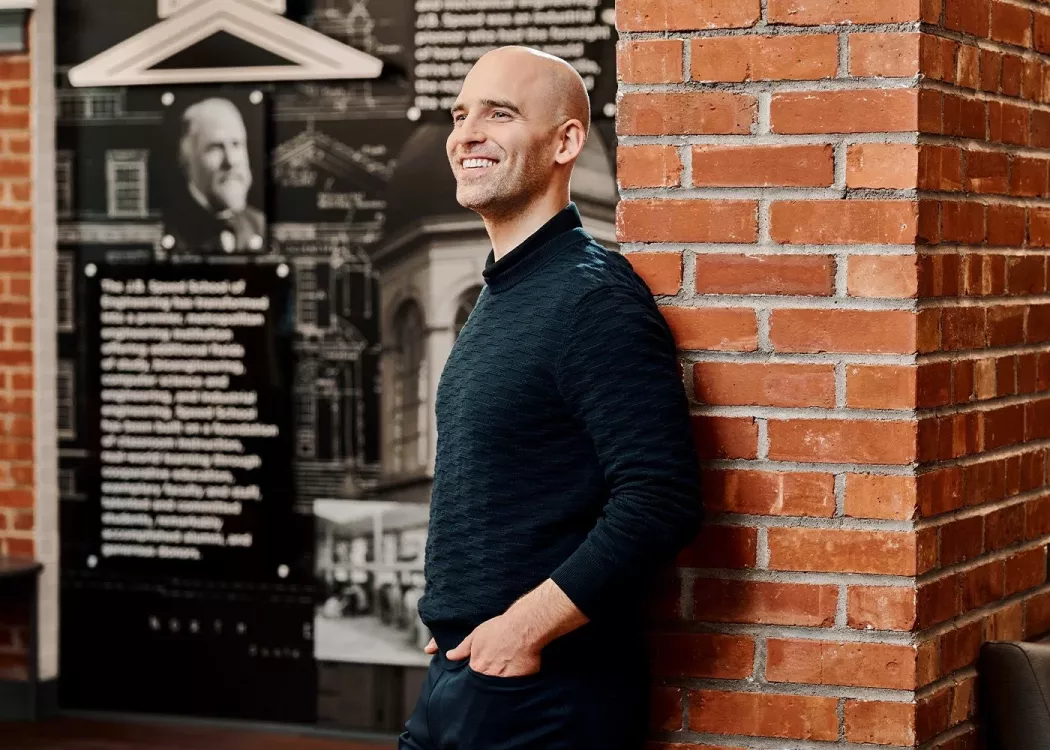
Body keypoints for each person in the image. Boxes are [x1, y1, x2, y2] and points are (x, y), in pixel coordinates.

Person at [398, 47, 703, 750]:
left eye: (498, 114)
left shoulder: (592, 298)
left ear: (566, 141)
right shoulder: (507, 295)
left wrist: (521, 629)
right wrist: (460, 617)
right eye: (460, 113)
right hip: (467, 675)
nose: (465, 134)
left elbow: (659, 500)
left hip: (543, 694)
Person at [162, 97, 266, 254]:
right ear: (186, 159)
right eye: (215, 147)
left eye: (236, 144)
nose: (230, 161)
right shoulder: (167, 230)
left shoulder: (260, 225)